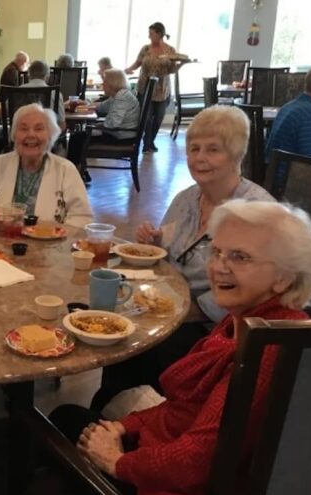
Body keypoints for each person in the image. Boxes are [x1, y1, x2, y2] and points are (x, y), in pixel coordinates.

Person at [50, 199, 311, 495]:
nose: (219, 266)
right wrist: (127, 425)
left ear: (285, 278)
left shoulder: (265, 350)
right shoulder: (252, 320)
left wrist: (118, 461)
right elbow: (182, 410)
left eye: (241, 256)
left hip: (181, 494)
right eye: (217, 251)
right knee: (70, 416)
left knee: (56, 425)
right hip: (171, 454)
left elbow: (195, 460)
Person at [90, 106, 274, 412]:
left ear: (236, 154)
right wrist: (157, 242)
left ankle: (150, 420)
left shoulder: (255, 213)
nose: (200, 157)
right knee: (122, 332)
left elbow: (256, 291)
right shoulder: (187, 198)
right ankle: (108, 412)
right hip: (169, 307)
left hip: (213, 328)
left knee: (145, 345)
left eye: (213, 149)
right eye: (194, 148)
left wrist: (183, 311)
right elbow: (171, 252)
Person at [0, 104, 92, 227]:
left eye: (38, 129)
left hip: (48, 250)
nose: (31, 135)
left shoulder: (65, 170)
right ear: (14, 136)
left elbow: (82, 217)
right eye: (23, 129)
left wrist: (57, 237)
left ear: (50, 136)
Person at [67, 69, 140, 171]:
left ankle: (74, 172)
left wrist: (97, 126)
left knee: (76, 138)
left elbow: (113, 123)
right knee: (79, 136)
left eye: (104, 81)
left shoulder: (121, 97)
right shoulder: (119, 95)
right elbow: (102, 107)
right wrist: (87, 104)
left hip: (121, 137)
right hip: (121, 134)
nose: (102, 84)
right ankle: (80, 171)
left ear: (112, 83)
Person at [124, 22, 180, 153]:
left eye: (151, 34)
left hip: (162, 88)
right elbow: (138, 62)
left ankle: (150, 141)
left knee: (159, 117)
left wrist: (180, 66)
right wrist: (129, 69)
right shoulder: (145, 49)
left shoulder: (170, 50)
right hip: (145, 86)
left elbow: (172, 69)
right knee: (147, 118)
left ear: (160, 34)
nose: (149, 36)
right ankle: (146, 143)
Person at [264, 64, 311, 161]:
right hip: (288, 174)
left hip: (274, 170)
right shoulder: (310, 115)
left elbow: (307, 144)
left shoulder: (292, 106)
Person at [22, 60, 66, 130]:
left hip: (21, 137)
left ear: (28, 74)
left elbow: (3, 113)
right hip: (46, 138)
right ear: (47, 76)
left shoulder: (16, 91)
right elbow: (62, 124)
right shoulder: (55, 93)